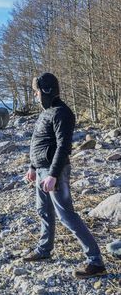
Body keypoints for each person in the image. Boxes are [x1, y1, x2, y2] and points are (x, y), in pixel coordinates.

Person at [25, 73, 106, 279]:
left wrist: (53, 174)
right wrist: (33, 167)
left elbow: (63, 146)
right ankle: (44, 250)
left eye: (37, 92)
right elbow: (39, 141)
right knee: (42, 210)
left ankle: (95, 261)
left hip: (55, 171)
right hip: (42, 170)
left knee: (66, 215)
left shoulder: (63, 113)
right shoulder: (47, 113)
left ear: (47, 90)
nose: (35, 96)